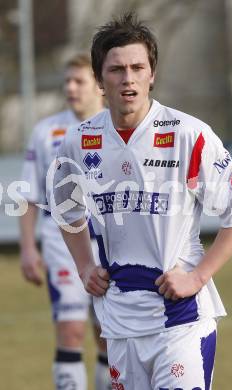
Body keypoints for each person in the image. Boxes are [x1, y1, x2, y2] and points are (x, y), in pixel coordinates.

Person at [50, 13, 232, 390]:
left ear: (152, 74)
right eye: (116, 70)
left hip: (181, 321)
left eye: (137, 67)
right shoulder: (79, 142)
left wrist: (198, 275)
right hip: (119, 322)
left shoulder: (187, 134)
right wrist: (84, 265)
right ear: (99, 80)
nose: (128, 79)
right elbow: (66, 208)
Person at [19, 54, 111, 390]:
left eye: (79, 81)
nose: (70, 88)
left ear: (99, 87)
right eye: (67, 81)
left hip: (109, 242)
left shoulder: (115, 128)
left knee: (108, 334)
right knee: (71, 330)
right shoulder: (46, 131)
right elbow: (27, 194)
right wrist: (28, 249)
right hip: (61, 242)